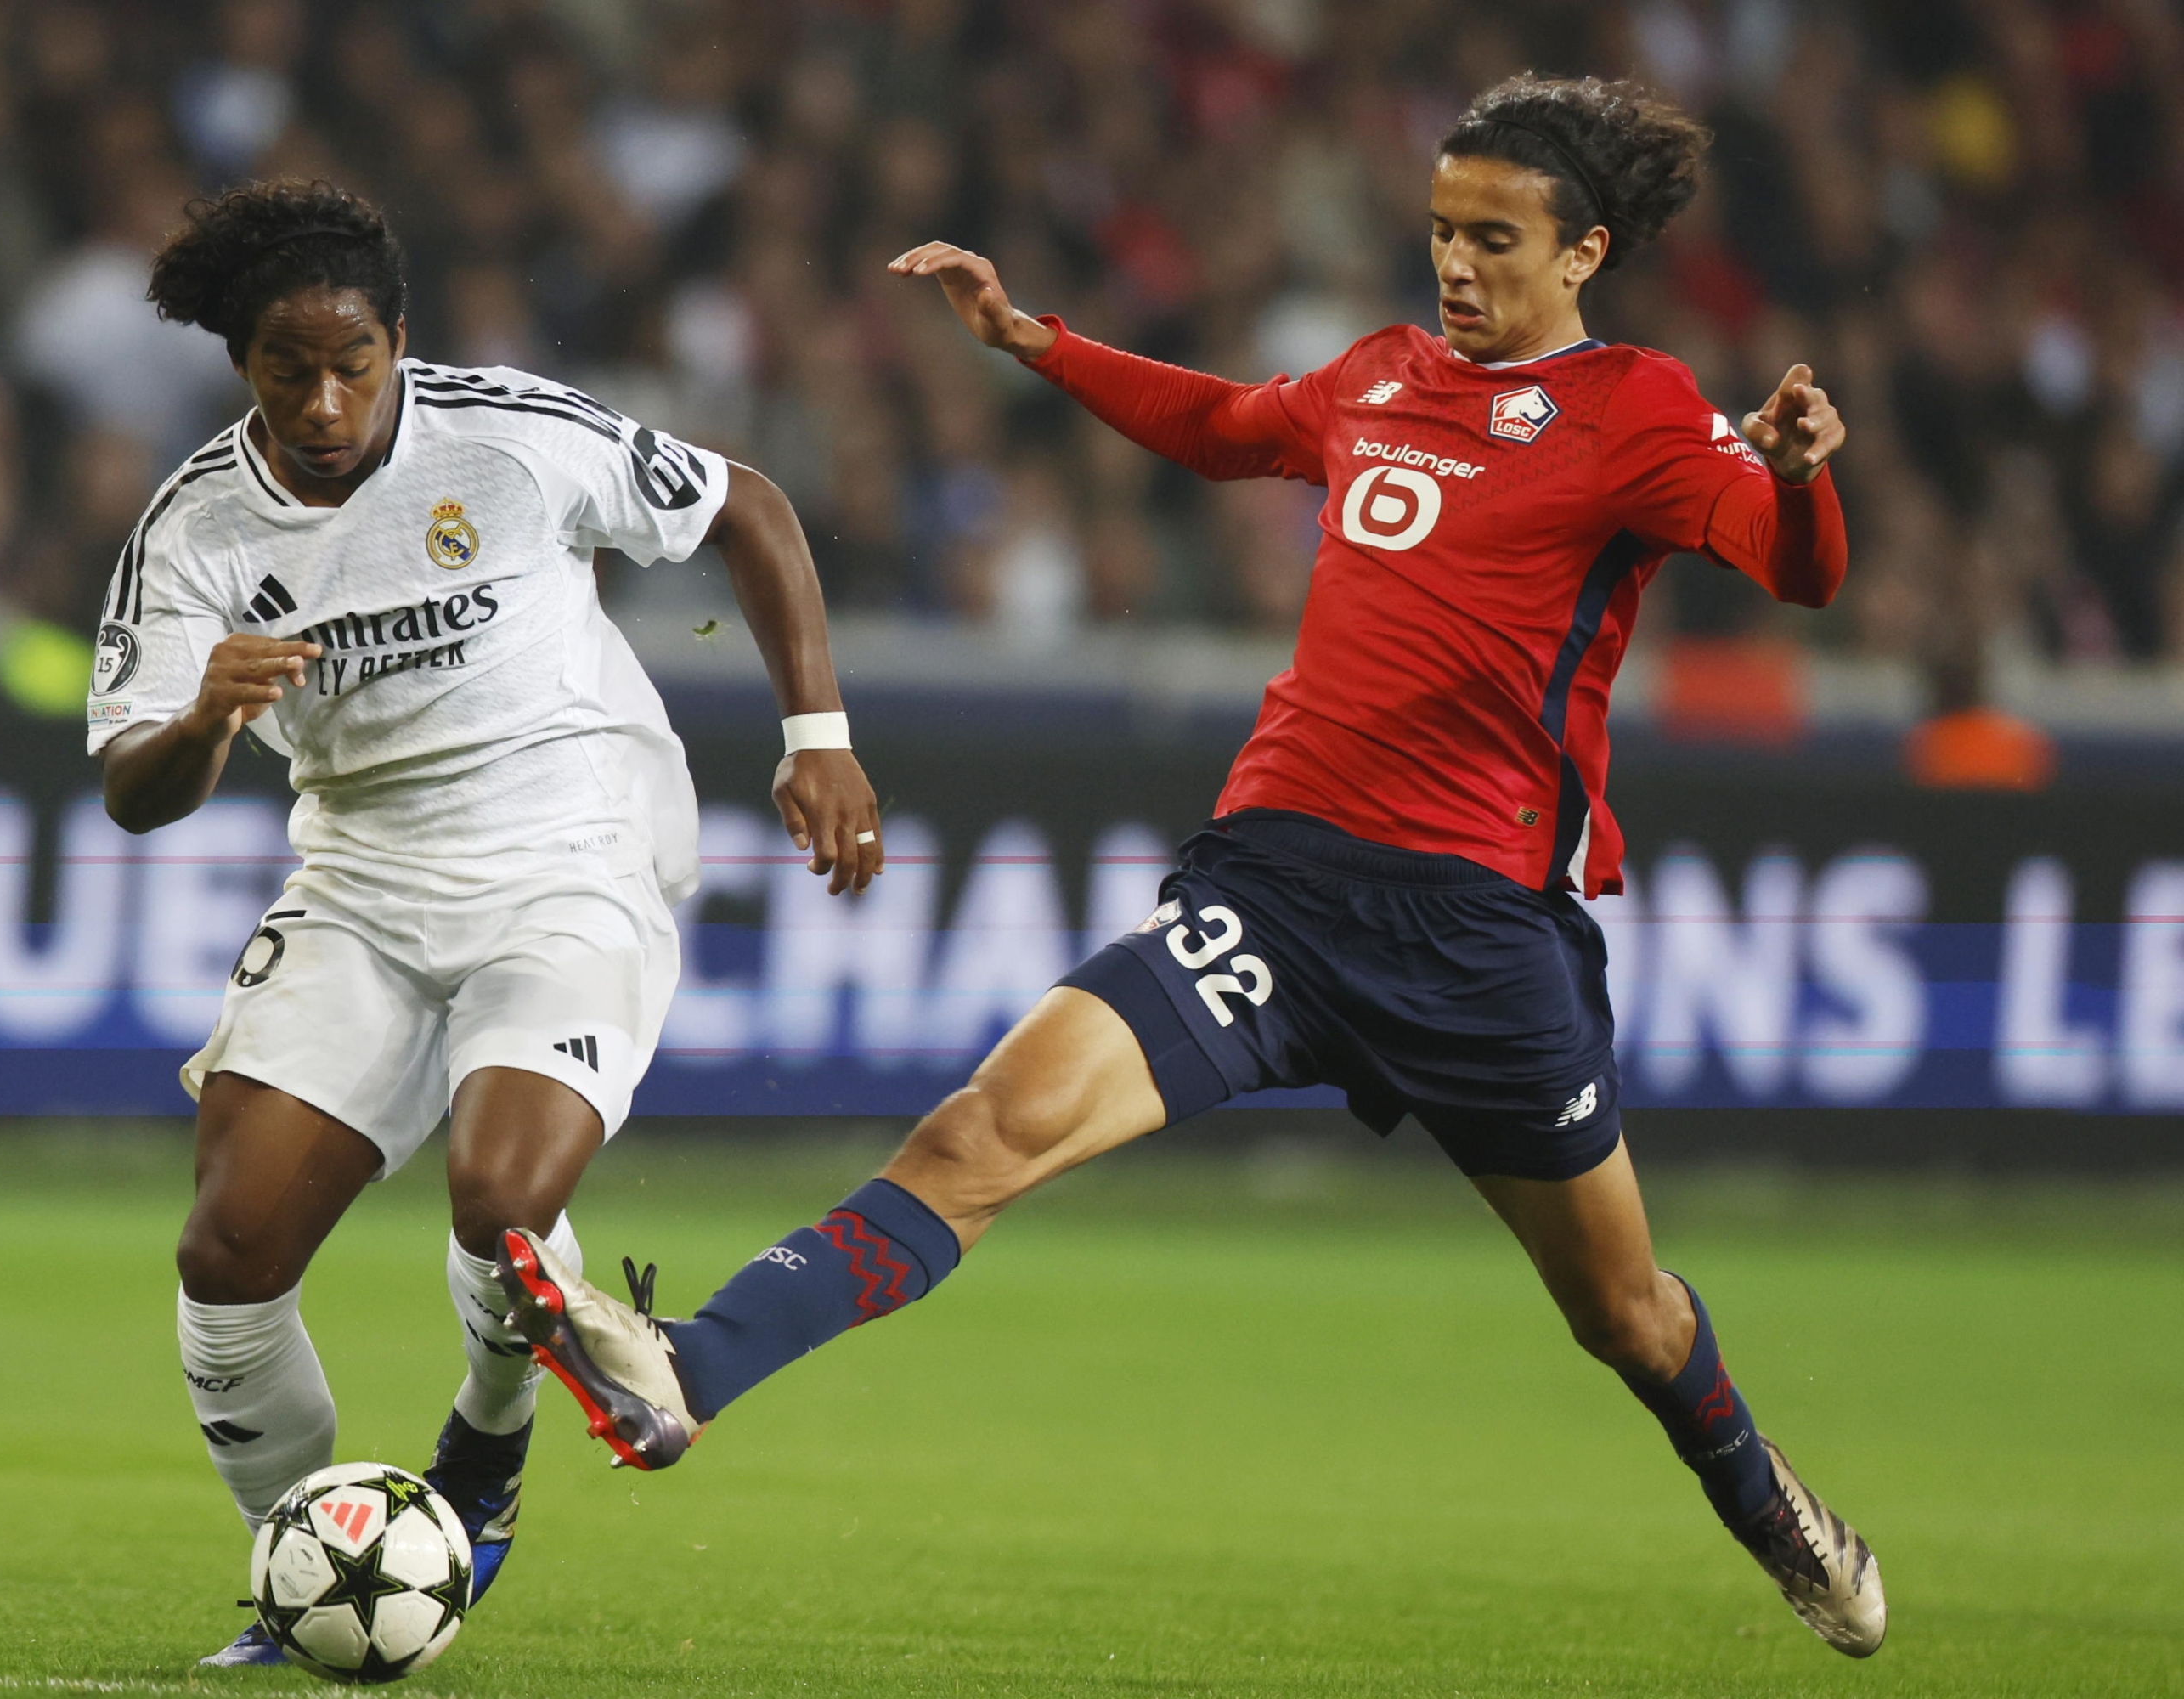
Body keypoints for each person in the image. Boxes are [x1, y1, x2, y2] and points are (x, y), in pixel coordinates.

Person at [496, 75, 1887, 1659]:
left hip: (1477, 935)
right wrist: (1040, 343)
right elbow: (1227, 429)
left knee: (1623, 1317)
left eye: (1492, 239)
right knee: (984, 1131)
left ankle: (1767, 1507)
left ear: (1586, 253)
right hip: (1278, 889)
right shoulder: (1382, 375)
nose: (1452, 265)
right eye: (1438, 231)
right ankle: (689, 1369)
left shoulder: (1639, 408)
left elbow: (1802, 573)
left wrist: (1795, 471)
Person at [83, 179, 883, 1668]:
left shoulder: (512, 435)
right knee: (228, 1251)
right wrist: (203, 718)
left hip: (570, 845)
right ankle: (309, 1570)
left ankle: (490, 1446)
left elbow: (748, 508)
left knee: (499, 1199)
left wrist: (816, 735)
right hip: (363, 876)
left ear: (399, 340)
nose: (326, 401)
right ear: (241, 364)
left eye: (355, 364)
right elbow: (138, 793)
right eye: (287, 371)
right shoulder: (193, 529)